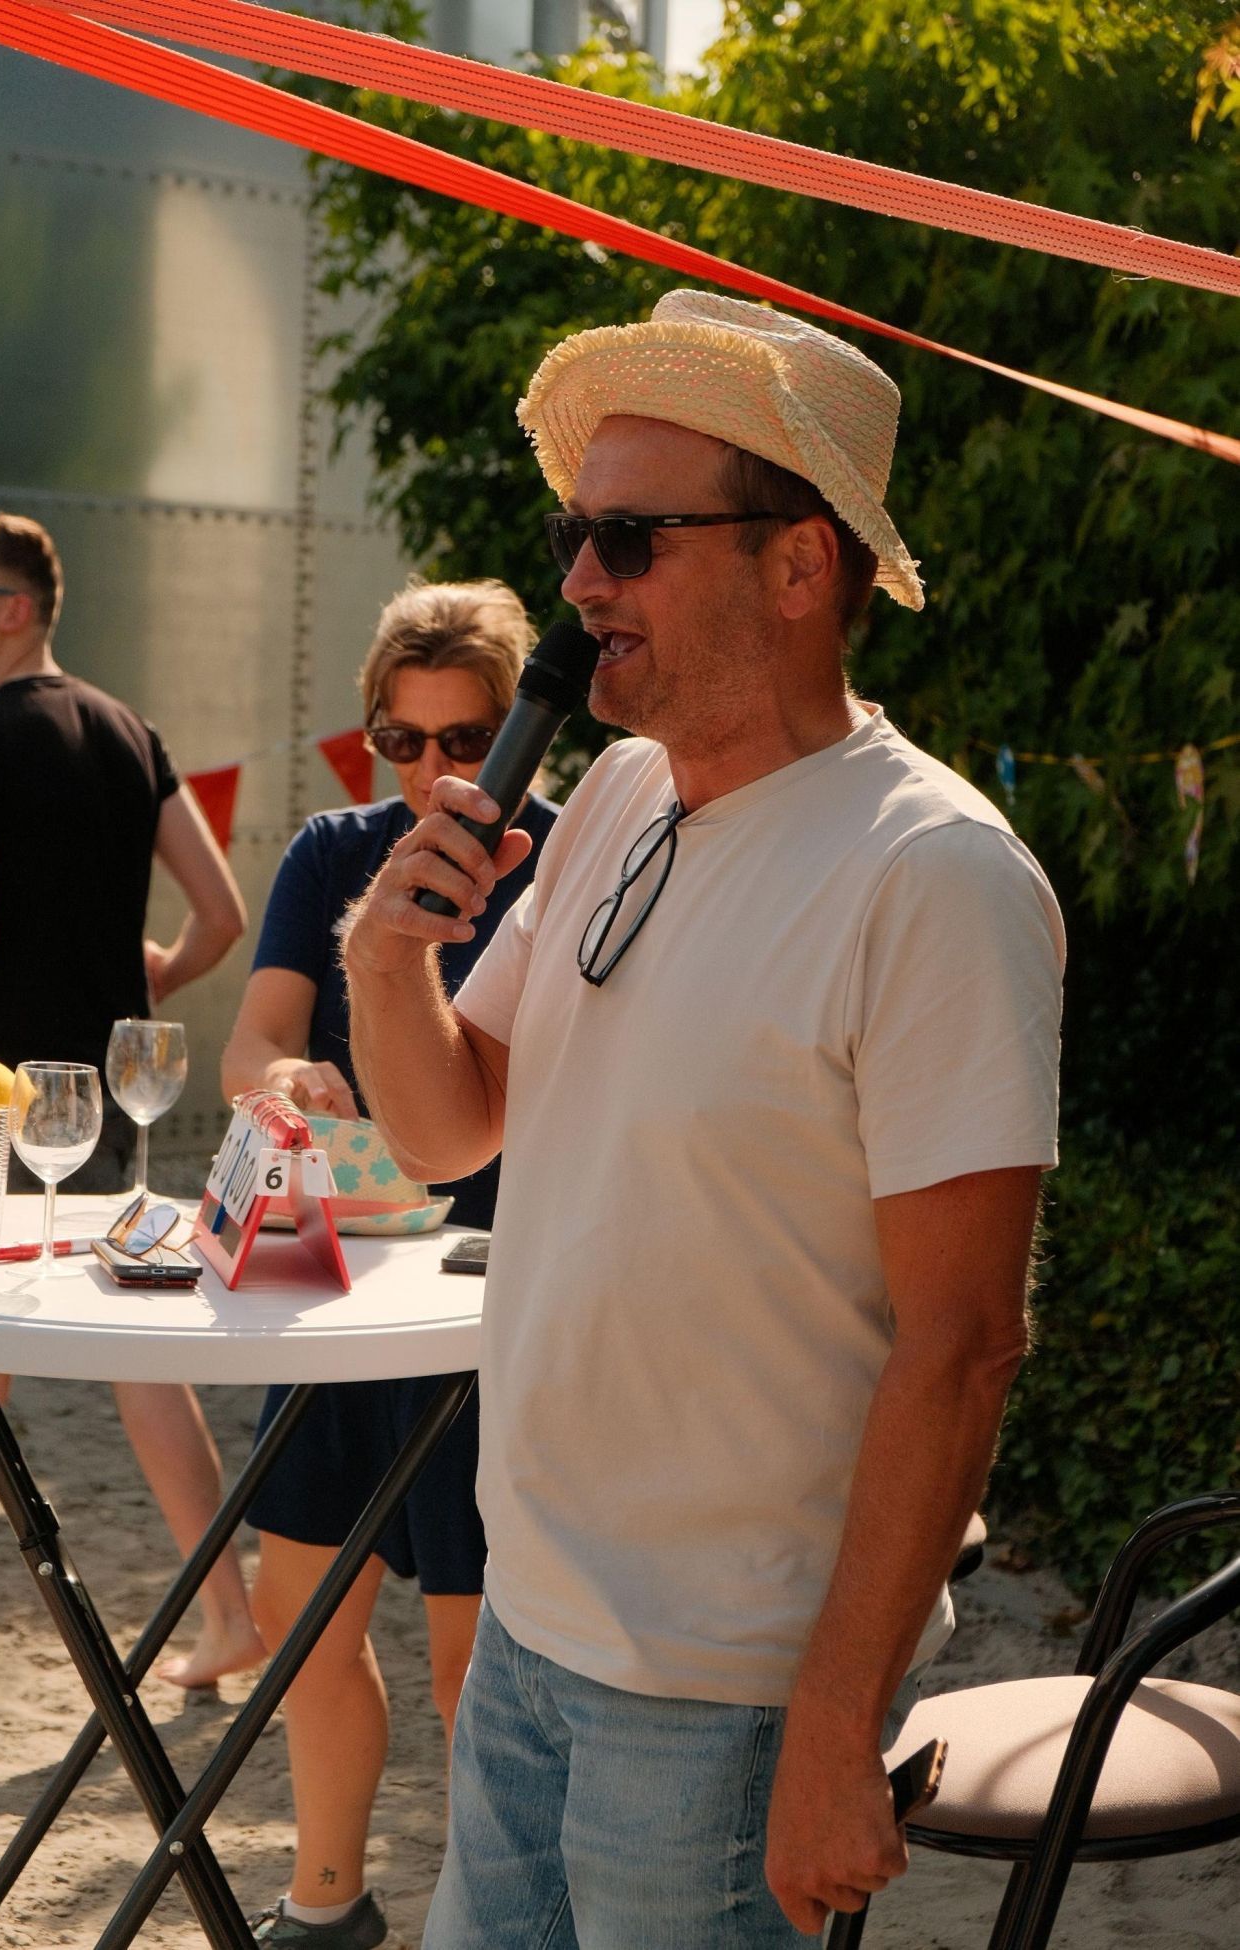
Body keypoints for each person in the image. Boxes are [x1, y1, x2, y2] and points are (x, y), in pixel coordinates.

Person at [340, 290, 1066, 1948]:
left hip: (726, 1703)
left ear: (800, 568)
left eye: (629, 537)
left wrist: (832, 1729)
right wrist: (387, 961)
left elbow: (962, 1347)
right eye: (575, 532)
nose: (580, 582)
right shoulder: (613, 792)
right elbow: (451, 1133)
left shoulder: (931, 877)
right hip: (528, 1631)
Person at [221, 577, 558, 1950]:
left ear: (522, 735)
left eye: (467, 738)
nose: (431, 770)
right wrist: (282, 1078)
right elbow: (252, 1044)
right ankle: (327, 1898)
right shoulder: (330, 850)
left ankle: (487, 1914)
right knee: (294, 1610)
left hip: (495, 1301)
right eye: (400, 740)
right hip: (342, 1274)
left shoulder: (566, 857)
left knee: (474, 1657)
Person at [0, 508, 261, 1691]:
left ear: (12, 608)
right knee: (131, 1350)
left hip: (7, 1095)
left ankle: (229, 1620)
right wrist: (148, 981)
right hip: (116, 1098)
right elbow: (220, 915)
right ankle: (227, 1616)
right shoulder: (132, 733)